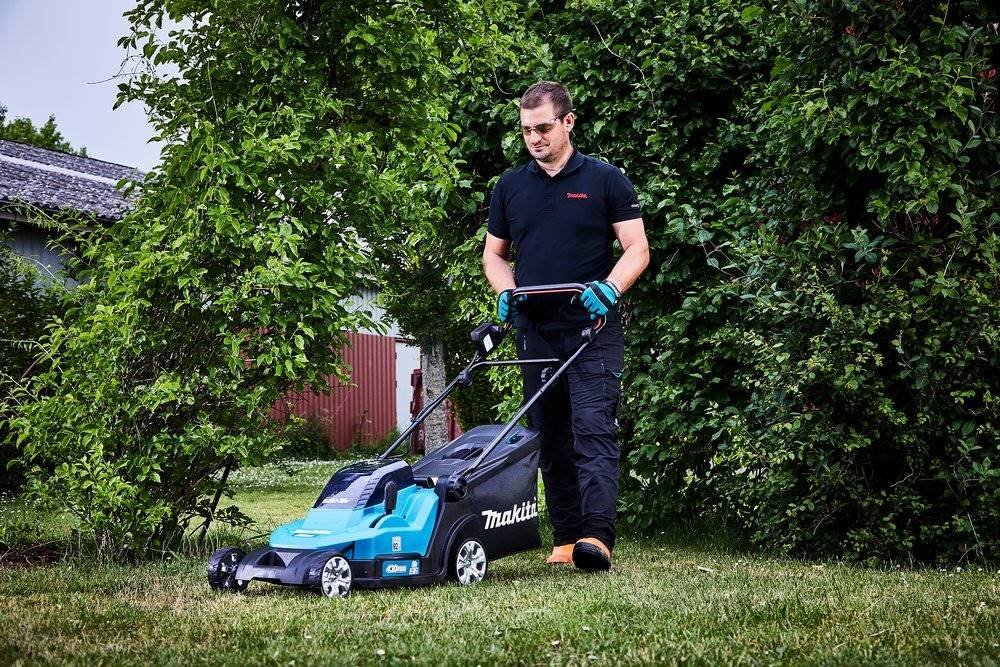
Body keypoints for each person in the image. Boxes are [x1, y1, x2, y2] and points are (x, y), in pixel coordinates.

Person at [482, 81, 649, 571]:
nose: (534, 138)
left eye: (543, 128)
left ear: (568, 122)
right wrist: (506, 292)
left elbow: (637, 248)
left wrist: (611, 288)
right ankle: (566, 537)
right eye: (526, 130)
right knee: (549, 436)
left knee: (592, 431)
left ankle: (596, 538)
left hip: (591, 327)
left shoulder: (605, 180)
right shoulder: (510, 187)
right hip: (536, 330)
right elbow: (495, 256)